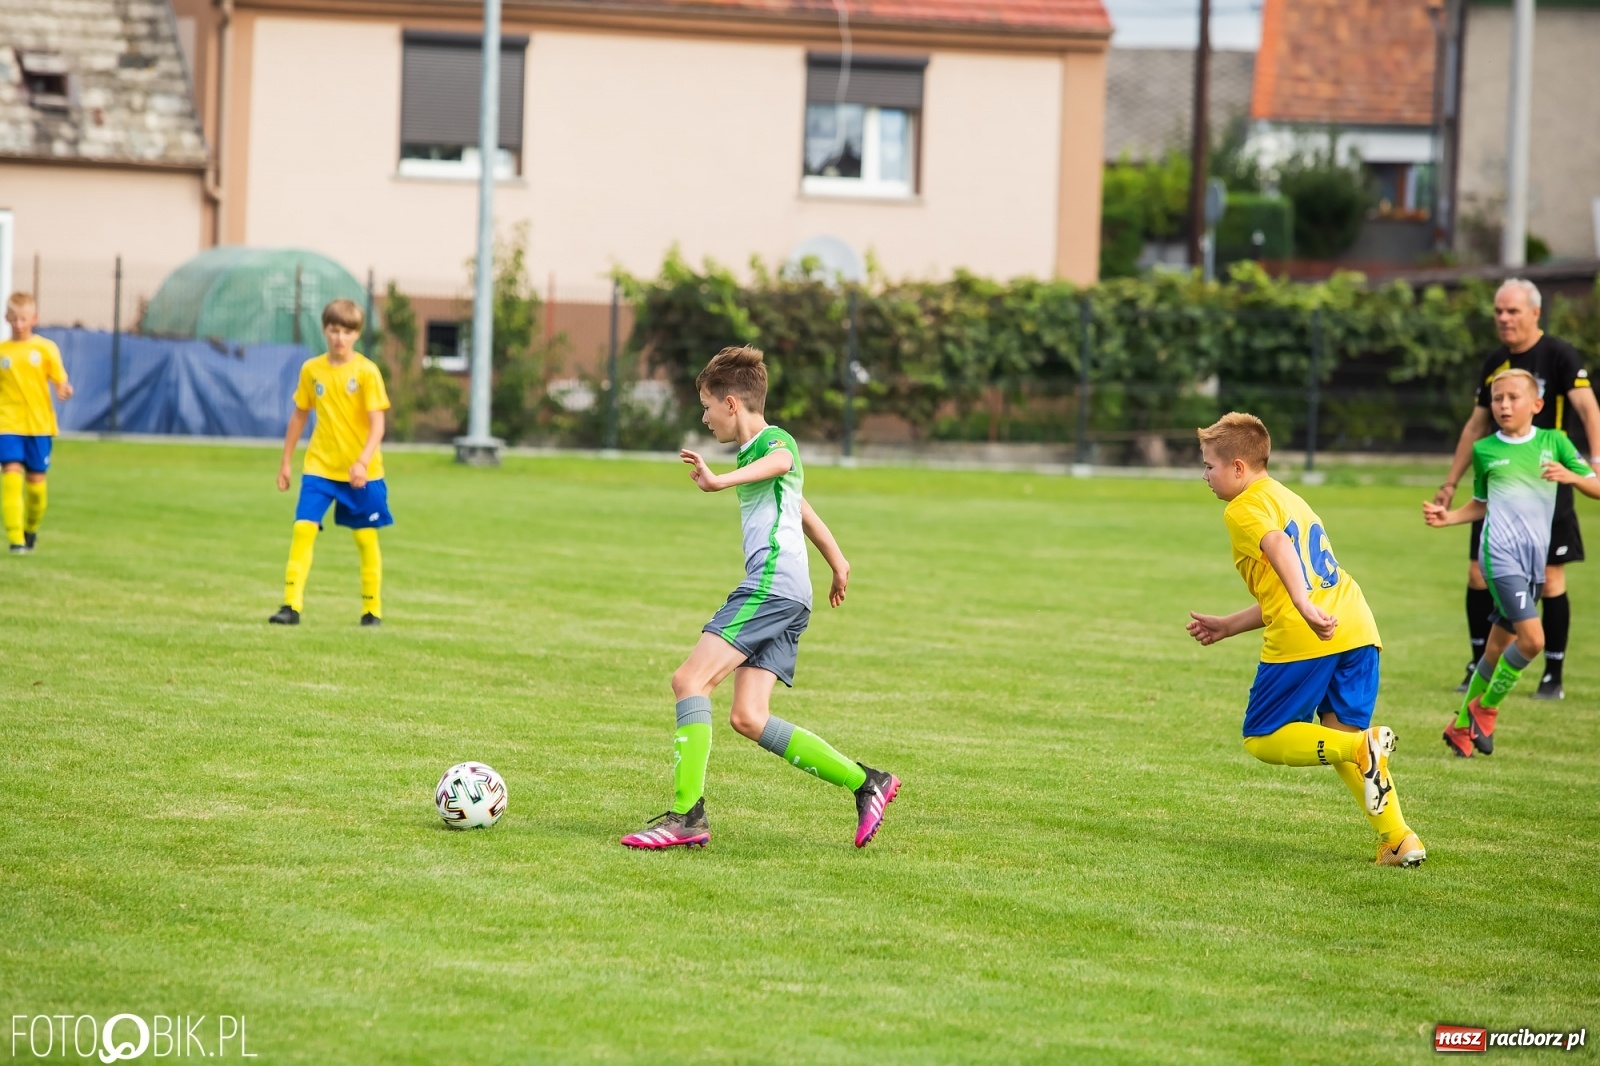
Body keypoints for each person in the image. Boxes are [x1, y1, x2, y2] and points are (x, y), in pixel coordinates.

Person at [621, 345, 900, 850]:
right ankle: (868, 783)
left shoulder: (773, 443)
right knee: (749, 717)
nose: (704, 419)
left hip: (771, 587)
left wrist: (720, 480)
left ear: (731, 403)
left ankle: (687, 817)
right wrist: (838, 561)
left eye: (706, 406)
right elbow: (800, 506)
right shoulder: (757, 456)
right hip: (793, 596)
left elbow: (783, 460)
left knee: (689, 680)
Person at [1187, 412, 1424, 867]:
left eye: (1210, 465)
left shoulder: (1243, 506)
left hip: (1311, 630)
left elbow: (1277, 549)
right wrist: (1229, 625)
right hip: (1355, 624)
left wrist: (1302, 604)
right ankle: (1399, 839)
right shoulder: (1288, 497)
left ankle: (1363, 748)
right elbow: (1293, 576)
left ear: (1238, 467)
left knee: (1262, 737)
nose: (1205, 475)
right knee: (1341, 739)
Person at [1434, 279, 1600, 700]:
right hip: (1500, 480)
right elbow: (1474, 426)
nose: (1504, 319)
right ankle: (1478, 663)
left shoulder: (1559, 354)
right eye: (1498, 312)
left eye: (1512, 311)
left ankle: (1553, 675)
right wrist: (1450, 483)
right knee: (1477, 574)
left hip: (1547, 480)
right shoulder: (1494, 362)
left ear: (1534, 313)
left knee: (1550, 578)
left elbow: (1586, 407)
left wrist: (1593, 465)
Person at [1424, 369, 1599, 757]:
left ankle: (1460, 729)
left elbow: (1596, 487)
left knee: (1494, 650)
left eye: (1512, 398)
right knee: (1533, 640)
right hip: (1499, 559)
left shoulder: (1556, 442)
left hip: (1534, 562)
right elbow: (1483, 503)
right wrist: (1449, 517)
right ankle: (1484, 710)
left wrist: (1570, 476)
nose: (1503, 405)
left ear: (1537, 405)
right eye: (1497, 398)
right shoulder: (1485, 449)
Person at [269, 298, 391, 626]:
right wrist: (286, 462)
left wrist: (362, 462)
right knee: (303, 528)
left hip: (362, 472)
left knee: (365, 538)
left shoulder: (366, 371)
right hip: (320, 467)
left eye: (347, 332)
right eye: (334, 330)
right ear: (325, 330)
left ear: (357, 335)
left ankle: (372, 611)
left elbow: (378, 425)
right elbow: (299, 416)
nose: (339, 338)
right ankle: (290, 606)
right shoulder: (312, 370)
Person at [0, 292, 73, 555]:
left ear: (34, 318)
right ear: (7, 318)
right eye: (14, 319)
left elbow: (59, 379)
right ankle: (15, 538)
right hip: (7, 425)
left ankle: (31, 529)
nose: (19, 324)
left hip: (39, 425)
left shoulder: (45, 348)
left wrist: (64, 389)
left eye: (24, 319)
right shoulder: (2, 352)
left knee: (36, 488)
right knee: (10, 474)